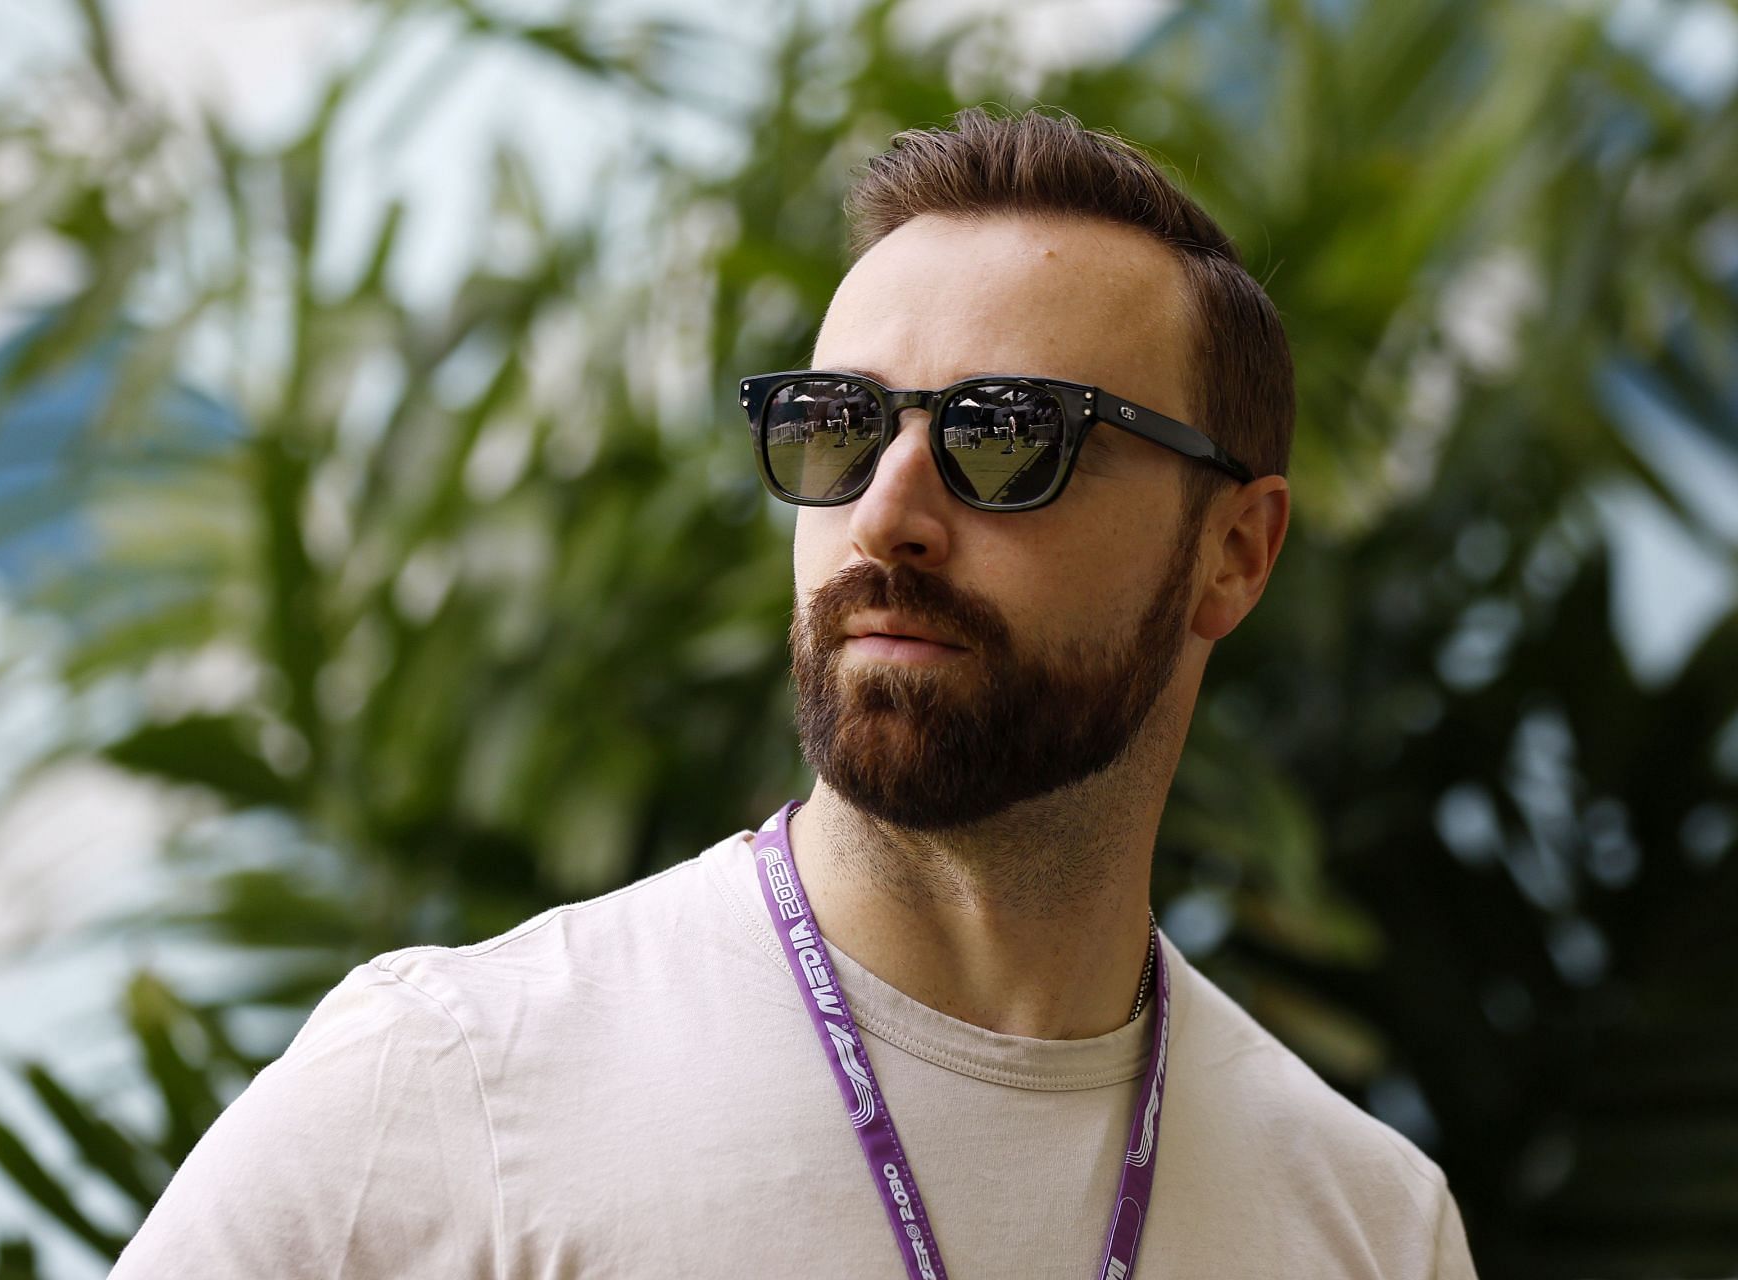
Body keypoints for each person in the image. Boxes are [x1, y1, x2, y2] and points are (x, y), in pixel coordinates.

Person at [109, 108, 1478, 1279]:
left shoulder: (1366, 1226)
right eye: (838, 426)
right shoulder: (453, 1076)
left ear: (1233, 553)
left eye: (1011, 439)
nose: (889, 515)